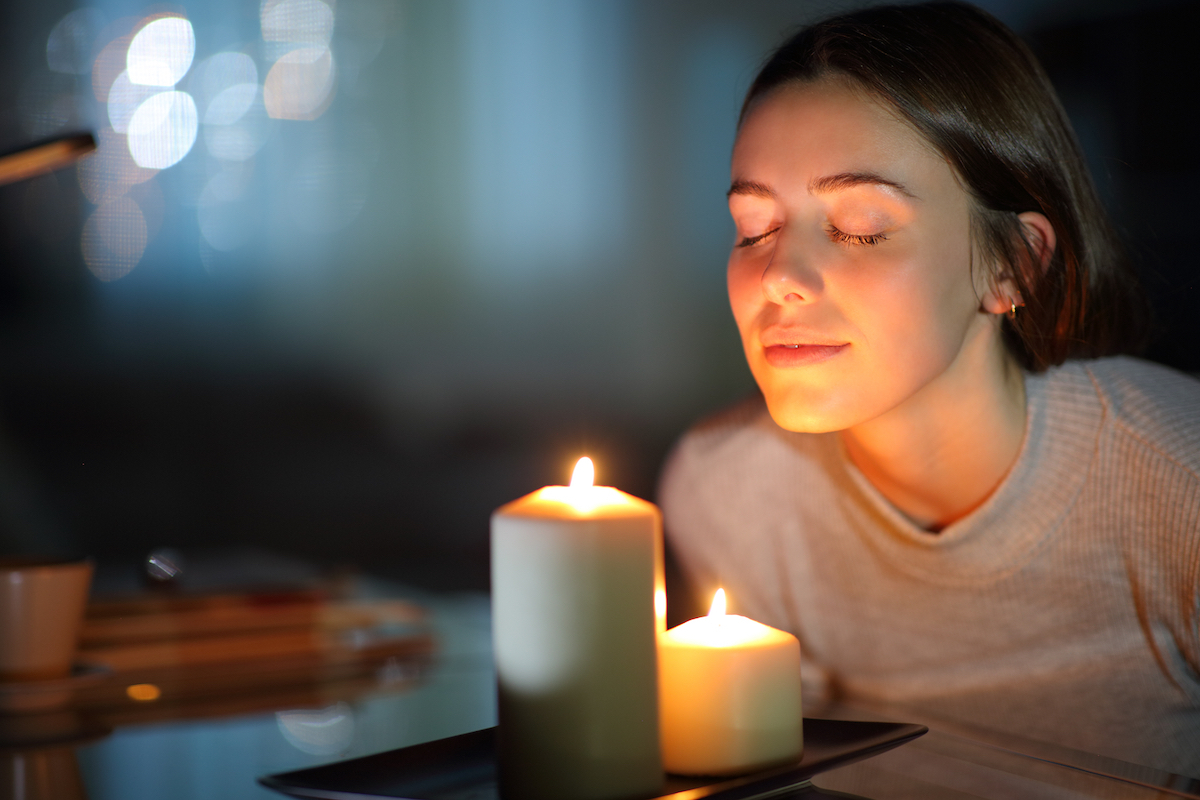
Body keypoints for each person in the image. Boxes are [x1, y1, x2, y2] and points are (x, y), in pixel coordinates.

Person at [658, 1, 1200, 777]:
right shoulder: (728, 490)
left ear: (1013, 262)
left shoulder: (1177, 485)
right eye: (754, 228)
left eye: (861, 227)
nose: (779, 277)